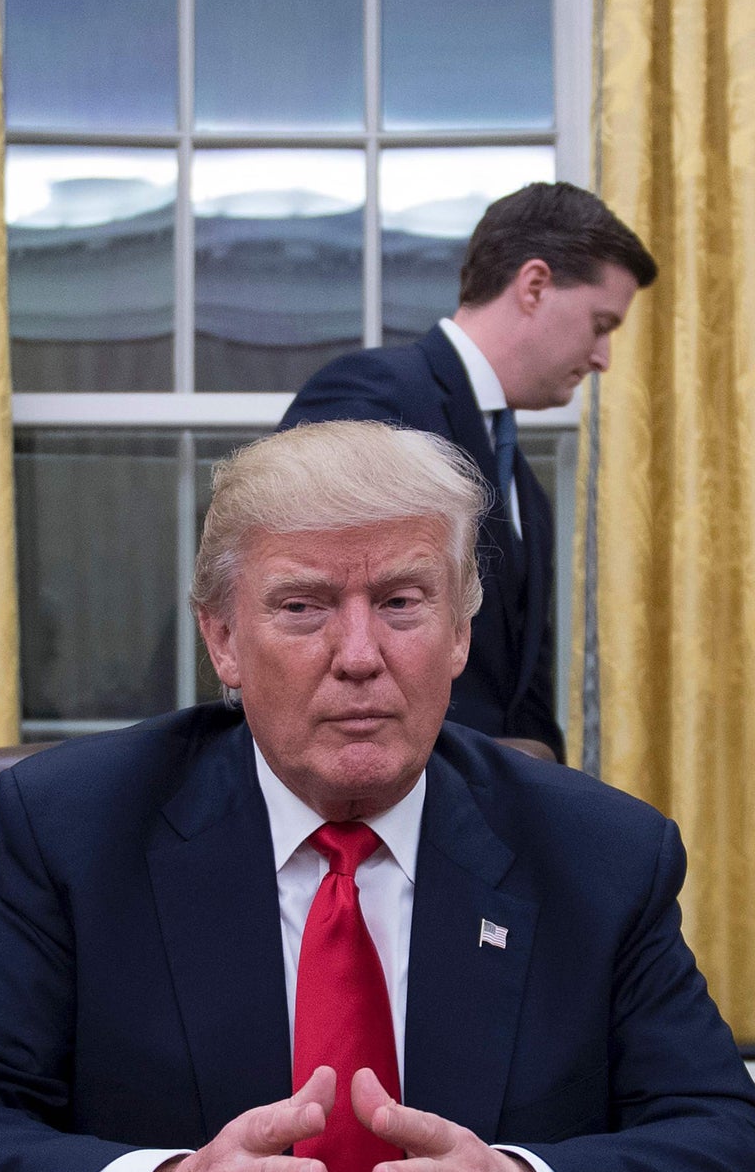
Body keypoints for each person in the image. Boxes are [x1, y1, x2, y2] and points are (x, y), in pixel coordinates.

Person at [0, 420, 755, 1172]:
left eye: (401, 603)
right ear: (222, 639)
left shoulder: (598, 854)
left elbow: (727, 1148)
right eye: (302, 608)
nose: (358, 656)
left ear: (460, 632)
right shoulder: (79, 830)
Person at [280, 181, 657, 764]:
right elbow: (308, 617)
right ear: (535, 285)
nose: (603, 357)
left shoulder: (526, 491)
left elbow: (516, 693)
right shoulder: (374, 395)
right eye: (601, 324)